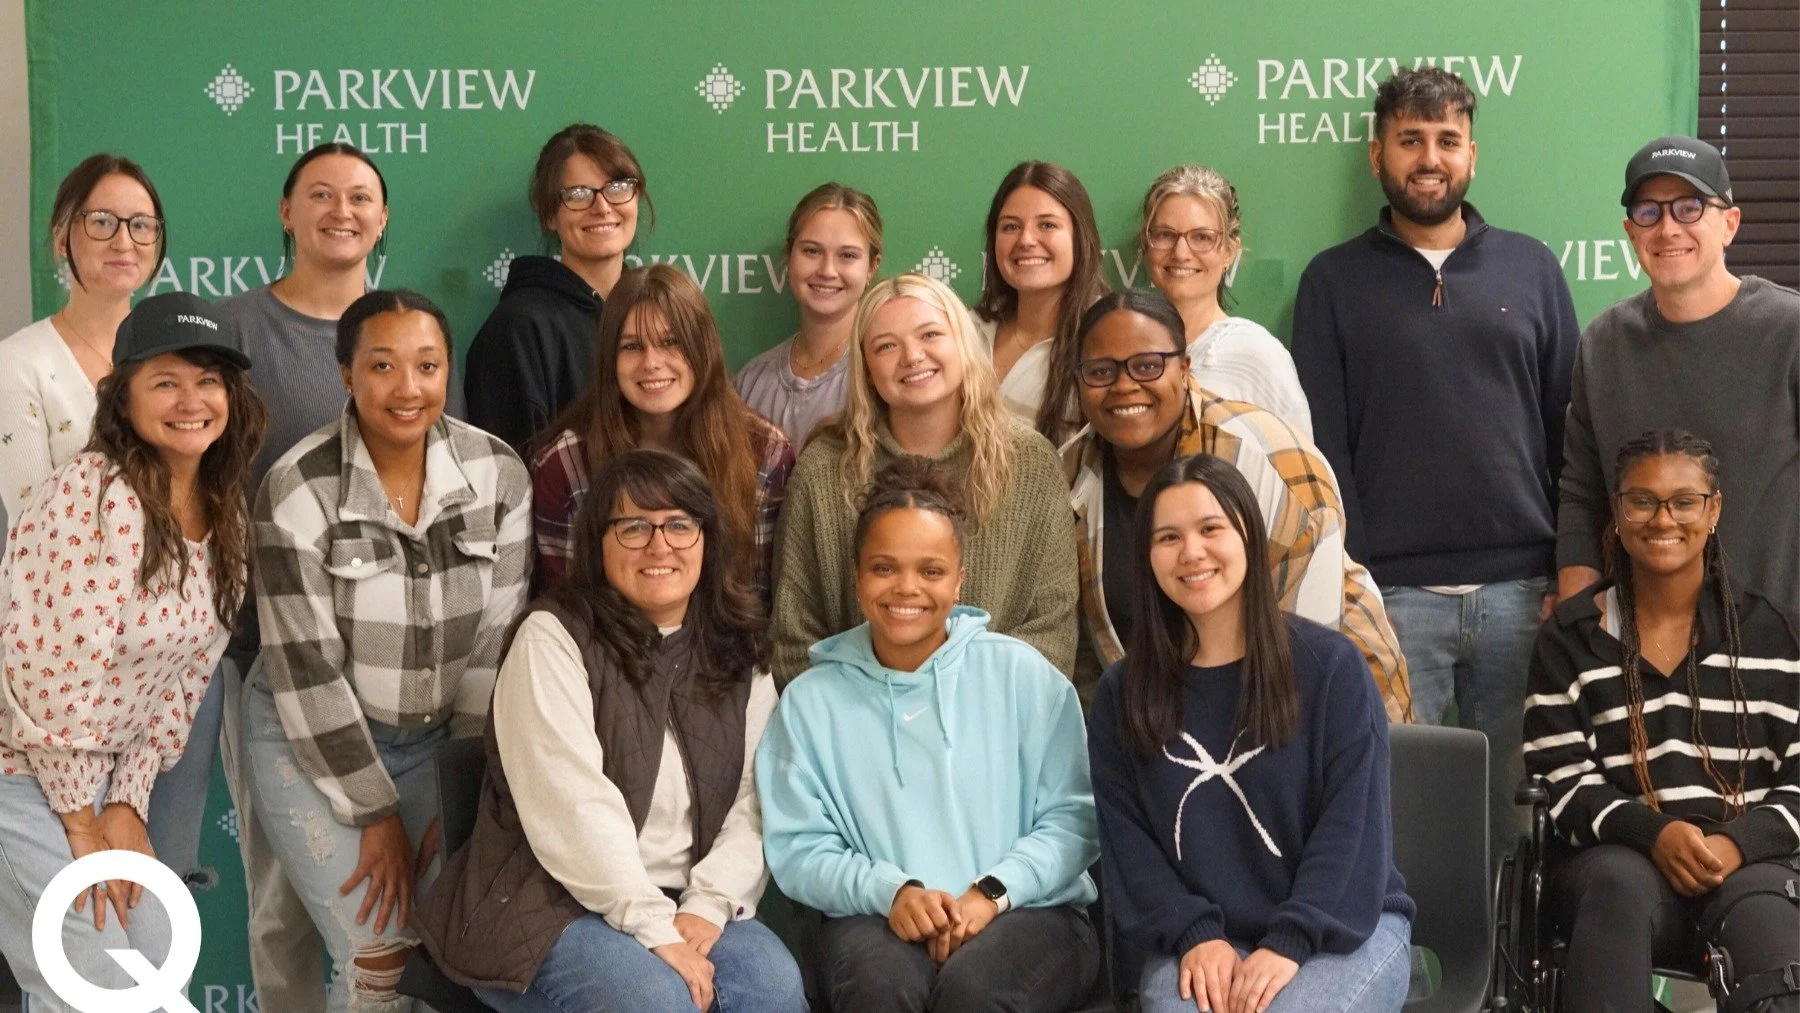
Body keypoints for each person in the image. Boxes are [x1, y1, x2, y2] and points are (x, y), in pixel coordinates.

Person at [1290, 67, 1578, 859]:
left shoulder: (1532, 269)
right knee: (1395, 816)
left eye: (1447, 140)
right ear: (1377, 153)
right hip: (1393, 599)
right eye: (1411, 140)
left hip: (1525, 596)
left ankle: (1516, 981)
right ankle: (1410, 980)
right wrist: (1356, 584)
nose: (1429, 157)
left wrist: (1570, 570)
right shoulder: (1332, 281)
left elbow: (1569, 433)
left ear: (1472, 156)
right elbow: (1324, 450)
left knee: (1521, 816)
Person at [414, 449, 806, 1013]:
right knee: (651, 1001)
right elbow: (573, 810)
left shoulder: (743, 652)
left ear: (706, 539)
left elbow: (756, 802)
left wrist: (708, 905)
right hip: (544, 900)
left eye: (678, 524)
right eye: (633, 527)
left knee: (771, 988)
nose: (659, 544)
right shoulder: (552, 638)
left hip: (689, 898)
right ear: (598, 542)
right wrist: (654, 929)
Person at [217, 141, 465, 1010]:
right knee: (285, 903)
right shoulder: (237, 331)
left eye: (361, 196)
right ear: (286, 212)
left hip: (405, 675)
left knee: (405, 924)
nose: (341, 210)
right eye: (319, 194)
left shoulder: (413, 333)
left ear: (384, 216)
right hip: (273, 658)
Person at [246, 290, 530, 1012]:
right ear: (346, 374)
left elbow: (494, 647)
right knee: (379, 958)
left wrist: (463, 788)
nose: (408, 388)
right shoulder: (296, 489)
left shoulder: (498, 473)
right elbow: (306, 671)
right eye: (382, 365)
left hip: (442, 740)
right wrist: (373, 812)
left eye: (427, 365)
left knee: (447, 947)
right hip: (308, 732)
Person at [0, 293, 266, 1012]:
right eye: (166, 381)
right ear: (124, 398)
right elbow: (49, 672)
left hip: (103, 775)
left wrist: (126, 795)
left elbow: (182, 681)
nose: (192, 399)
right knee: (101, 983)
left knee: (153, 963)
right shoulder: (94, 494)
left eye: (209, 380)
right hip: (21, 769)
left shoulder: (225, 512)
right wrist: (80, 816)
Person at [759, 457, 1102, 1013]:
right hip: (873, 917)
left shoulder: (1023, 676)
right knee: (879, 989)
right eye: (884, 568)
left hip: (1029, 912)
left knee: (973, 991)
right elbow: (799, 848)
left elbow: (1076, 819)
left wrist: (991, 892)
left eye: (931, 571)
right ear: (857, 575)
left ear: (960, 578)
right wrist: (891, 892)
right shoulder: (809, 703)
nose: (907, 588)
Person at [1089, 453, 1414, 1013]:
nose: (1192, 552)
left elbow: (1351, 831)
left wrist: (1290, 941)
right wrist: (1196, 935)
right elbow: (1130, 848)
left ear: (1249, 537)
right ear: (1146, 558)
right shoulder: (1123, 693)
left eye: (1210, 528)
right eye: (1168, 537)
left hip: (1338, 928)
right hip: (1202, 939)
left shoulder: (1331, 669)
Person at [1525, 429, 1800, 1012]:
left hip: (1748, 866)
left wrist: (1735, 842)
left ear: (1714, 509)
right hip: (1616, 867)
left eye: (1684, 501)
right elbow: (1560, 780)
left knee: (1771, 928)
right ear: (1618, 513)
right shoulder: (1571, 639)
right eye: (1642, 500)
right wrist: (1654, 834)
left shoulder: (1769, 635)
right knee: (1617, 886)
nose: (1662, 519)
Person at [1065, 289, 1409, 716]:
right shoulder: (1069, 471)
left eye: (1147, 365)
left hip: (1328, 710)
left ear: (1185, 368)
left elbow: (1309, 652)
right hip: (1180, 729)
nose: (1124, 385)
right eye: (1100, 371)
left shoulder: (1270, 460)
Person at [771, 272, 1079, 683]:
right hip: (854, 731)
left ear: (963, 343)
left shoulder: (1031, 464)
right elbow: (795, 638)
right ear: (866, 367)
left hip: (994, 728)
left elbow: (1052, 634)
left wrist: (951, 713)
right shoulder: (825, 470)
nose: (912, 356)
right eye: (886, 346)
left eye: (930, 335)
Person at [1558, 135, 1800, 617]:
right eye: (1650, 212)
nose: (1668, 228)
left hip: (1776, 649)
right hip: (1639, 654)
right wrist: (1578, 621)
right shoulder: (1603, 344)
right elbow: (1582, 496)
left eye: (1689, 208)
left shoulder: (1789, 331)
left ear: (1729, 224)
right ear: (1631, 233)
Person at [531, 264, 793, 601]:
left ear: (703, 349)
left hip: (728, 648)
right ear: (609, 359)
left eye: (671, 343)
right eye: (631, 347)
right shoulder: (565, 465)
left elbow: (759, 606)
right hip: (601, 649)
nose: (651, 363)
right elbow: (566, 609)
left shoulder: (764, 453)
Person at [465, 124, 651, 452]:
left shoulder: (656, 312)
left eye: (618, 187)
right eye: (578, 194)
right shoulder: (517, 328)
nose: (603, 207)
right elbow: (508, 479)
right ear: (549, 213)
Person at [0, 154, 166, 517]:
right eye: (102, 222)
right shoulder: (17, 363)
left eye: (141, 225)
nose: (124, 242)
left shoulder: (175, 349)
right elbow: (36, 523)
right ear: (61, 238)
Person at [1139, 164, 1312, 439]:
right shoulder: (1125, 349)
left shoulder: (1257, 354)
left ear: (1229, 252)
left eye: (1202, 238)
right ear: (1146, 244)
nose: (1181, 252)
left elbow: (1296, 472)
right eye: (1165, 235)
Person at [735, 183, 883, 451]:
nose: (827, 270)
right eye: (812, 251)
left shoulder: (881, 377)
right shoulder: (751, 382)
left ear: (872, 267)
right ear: (789, 256)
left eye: (847, 256)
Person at [971, 161, 1110, 444]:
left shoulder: (1109, 337)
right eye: (1010, 226)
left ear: (1080, 237)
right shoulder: (967, 331)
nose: (1026, 240)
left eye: (1047, 225)